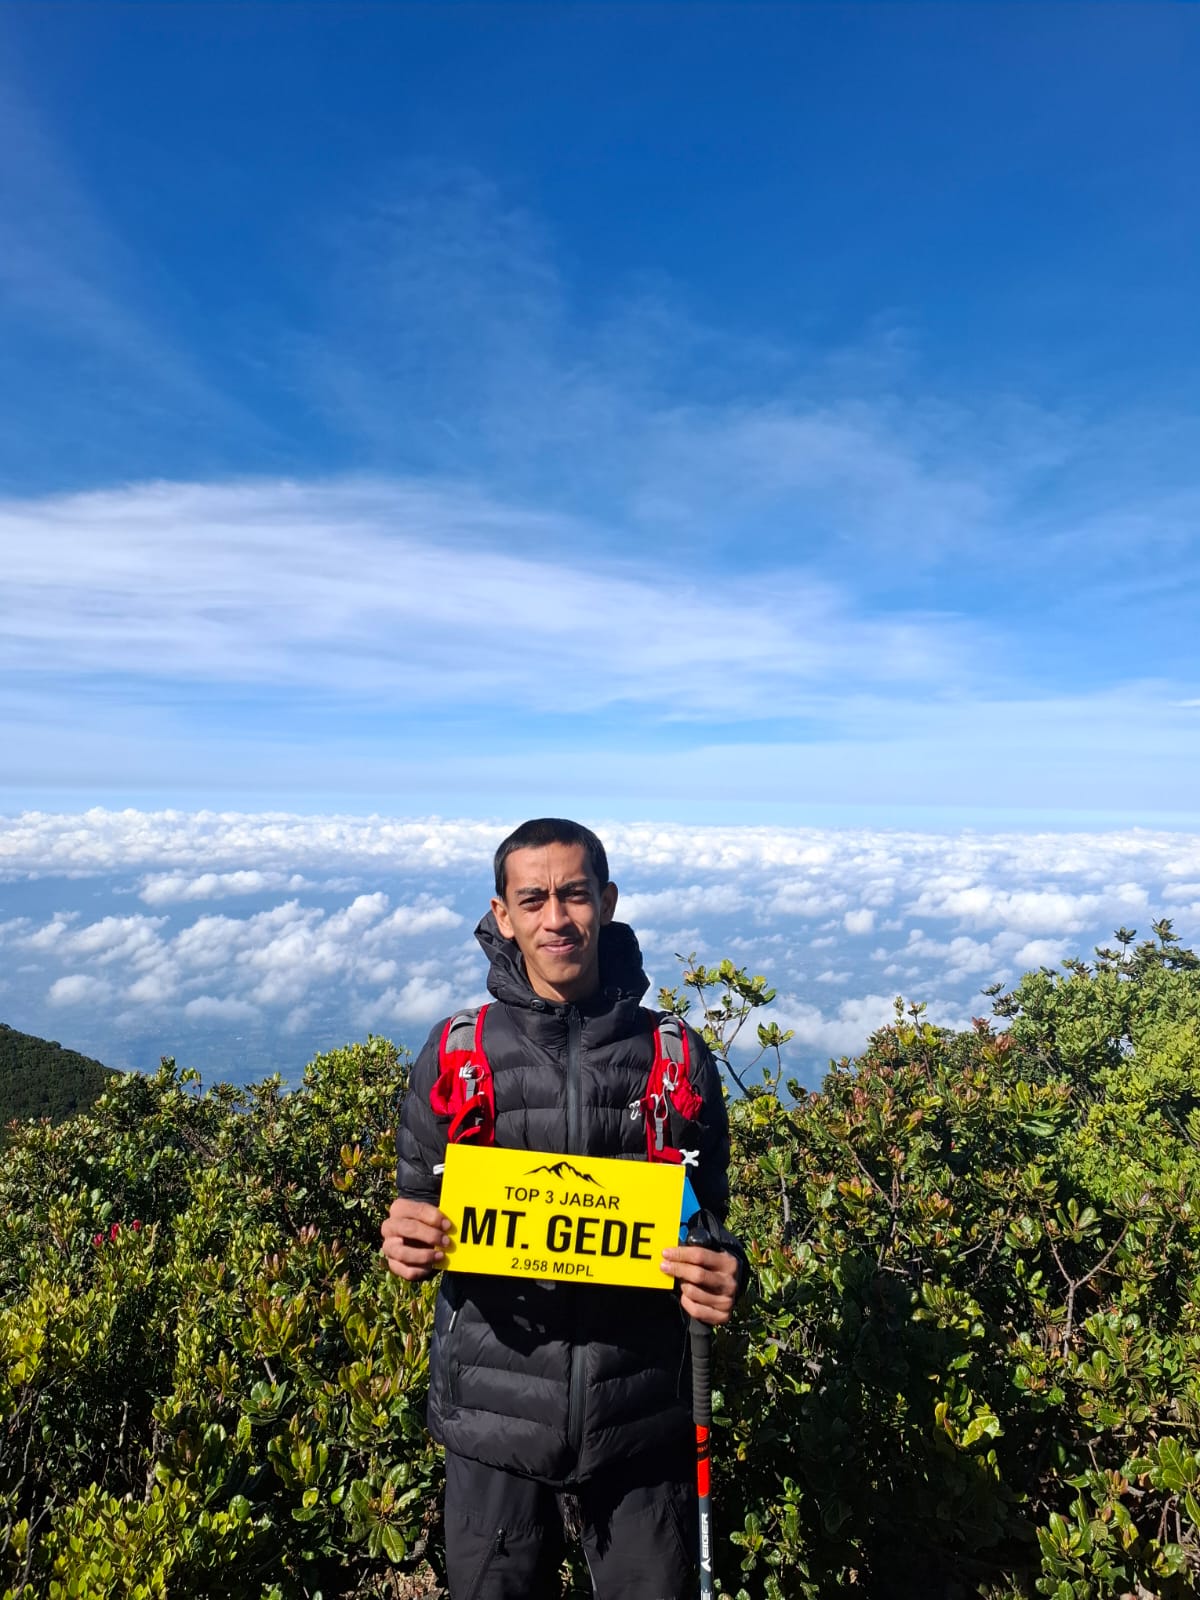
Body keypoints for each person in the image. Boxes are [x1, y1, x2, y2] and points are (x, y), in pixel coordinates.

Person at [380, 817, 746, 1599]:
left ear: (607, 902)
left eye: (575, 895)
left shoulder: (676, 1059)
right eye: (534, 899)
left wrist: (725, 1271)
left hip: (642, 1423)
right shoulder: (455, 1055)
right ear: (502, 915)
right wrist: (405, 1243)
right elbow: (416, 1203)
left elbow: (707, 1218)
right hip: (494, 1429)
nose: (557, 919)